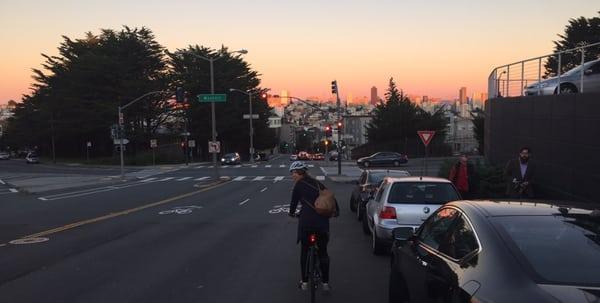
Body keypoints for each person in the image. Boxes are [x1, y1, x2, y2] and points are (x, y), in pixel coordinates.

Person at [288, 161, 339, 292]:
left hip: (306, 223)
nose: (292, 176)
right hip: (322, 223)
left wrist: (292, 213)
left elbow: (293, 204)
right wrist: (334, 212)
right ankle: (325, 283)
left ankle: (304, 282)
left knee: (305, 250)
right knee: (323, 252)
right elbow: (331, 197)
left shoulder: (298, 185)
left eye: (293, 173)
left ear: (300, 173)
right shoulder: (318, 183)